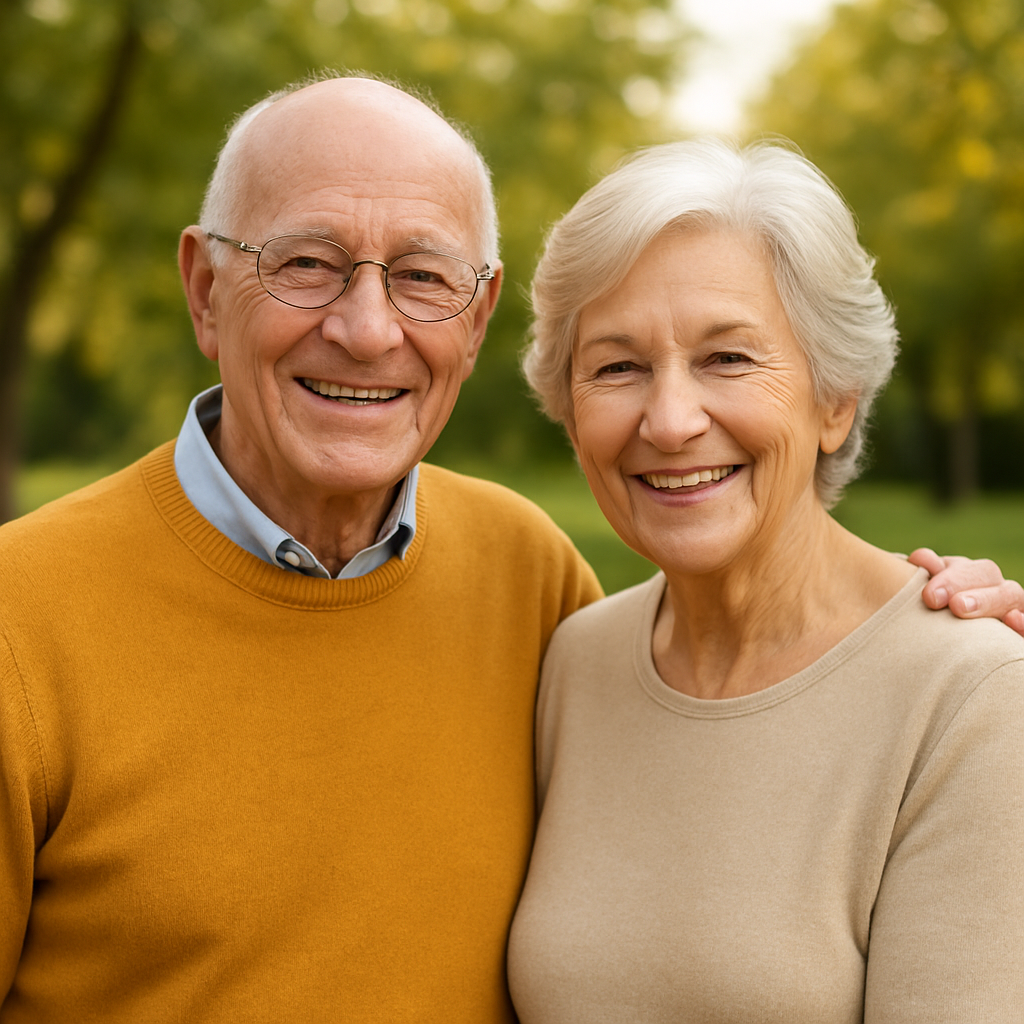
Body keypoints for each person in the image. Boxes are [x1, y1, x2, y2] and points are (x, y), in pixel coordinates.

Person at [0, 79, 1016, 1023]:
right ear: (205, 287)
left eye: (421, 275)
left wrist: (961, 656)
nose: (365, 328)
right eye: (305, 262)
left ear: (475, 317)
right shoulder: (22, 617)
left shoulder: (527, 584)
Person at [508, 138, 1024, 1021]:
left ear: (835, 400)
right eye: (618, 367)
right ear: (569, 408)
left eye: (729, 359)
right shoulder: (574, 662)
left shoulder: (973, 700)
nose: (669, 421)